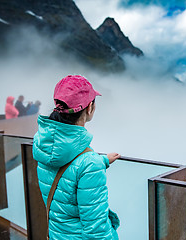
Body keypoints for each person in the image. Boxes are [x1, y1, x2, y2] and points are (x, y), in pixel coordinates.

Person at [32, 75, 120, 239]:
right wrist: (94, 164)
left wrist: (102, 161)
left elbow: (68, 173)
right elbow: (96, 231)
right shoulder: (88, 163)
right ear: (89, 108)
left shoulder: (45, 145)